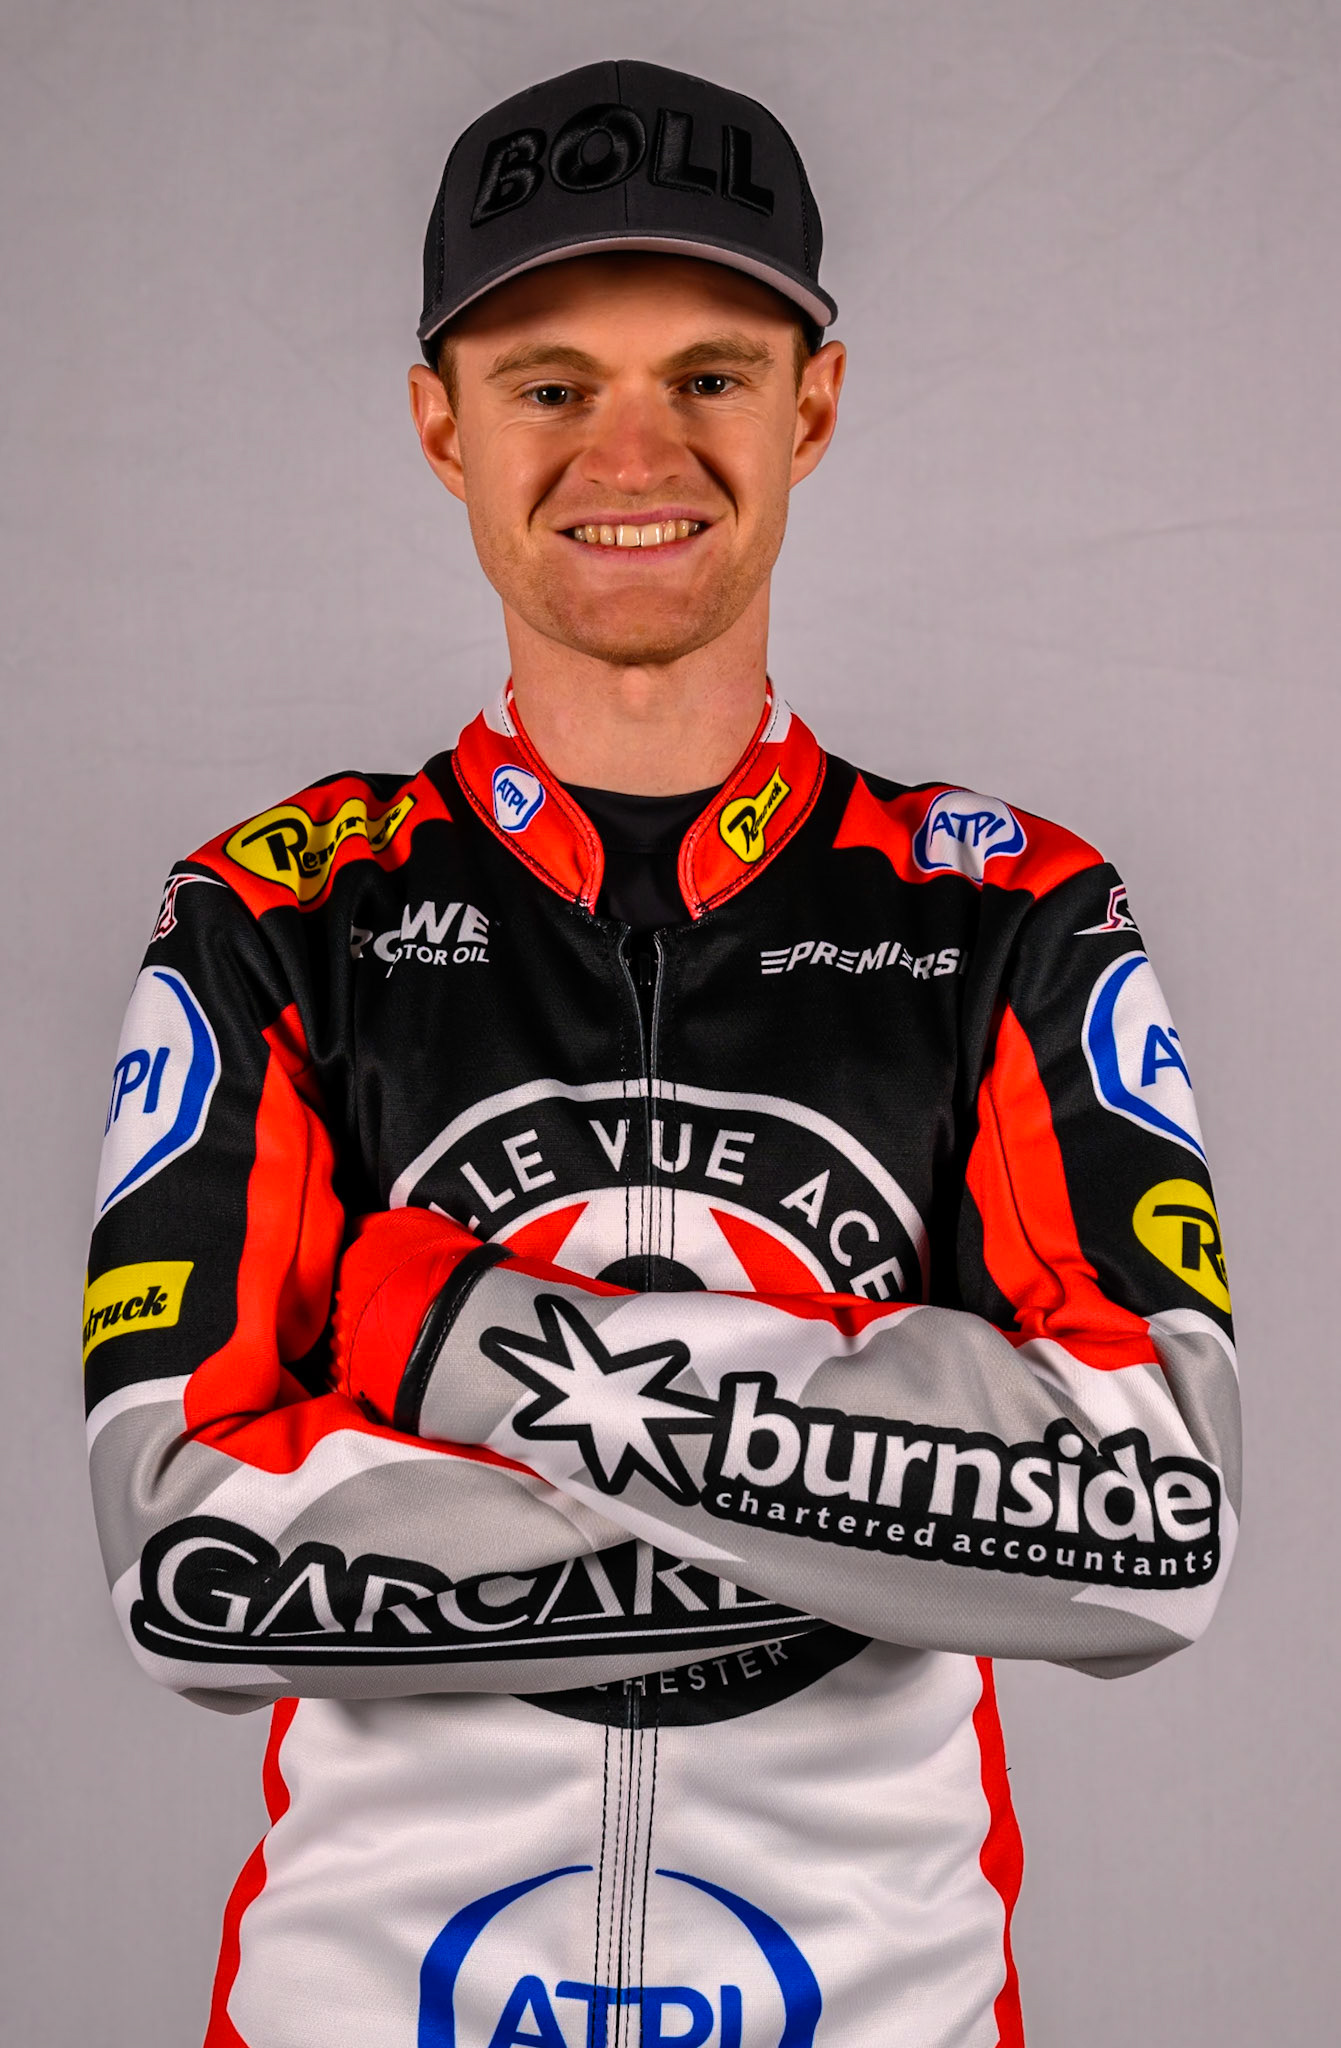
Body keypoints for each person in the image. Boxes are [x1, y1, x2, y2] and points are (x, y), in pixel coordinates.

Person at [84, 58, 1240, 2048]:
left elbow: (1149, 1529)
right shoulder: (274, 919)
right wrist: (898, 1513)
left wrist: (450, 1337)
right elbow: (187, 1557)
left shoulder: (1011, 916)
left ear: (811, 405)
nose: (633, 449)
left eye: (708, 373)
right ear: (441, 423)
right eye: (549, 384)